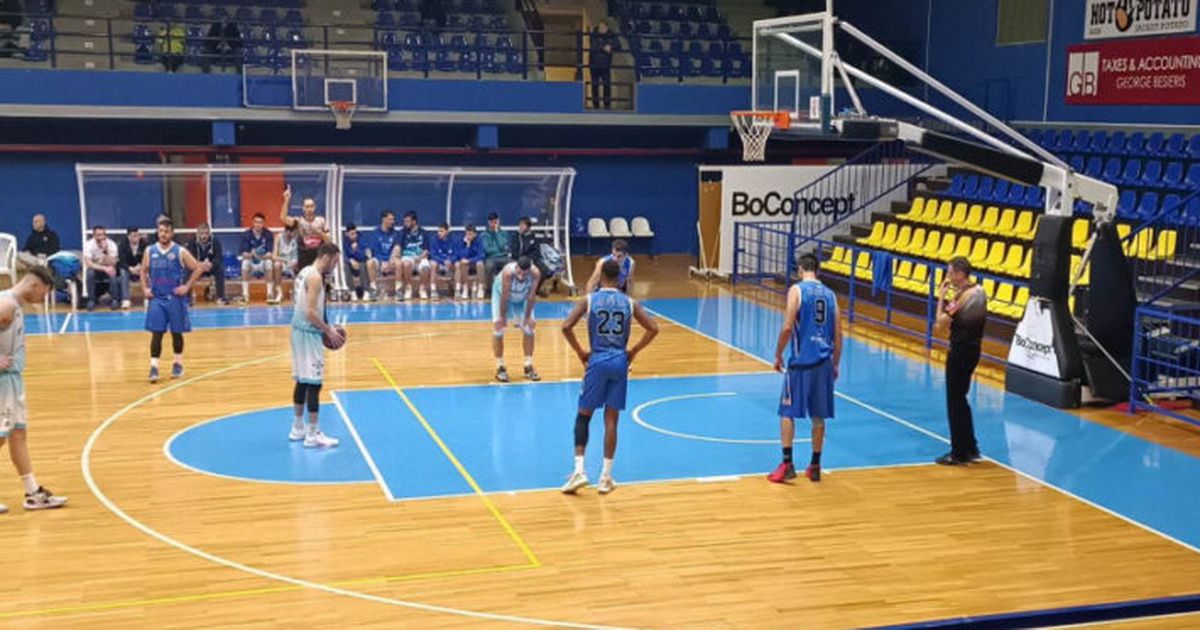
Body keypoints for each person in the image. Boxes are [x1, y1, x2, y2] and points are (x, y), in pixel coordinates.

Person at [560, 258, 659, 495]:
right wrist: (633, 351)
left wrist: (580, 351)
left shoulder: (590, 299)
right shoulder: (629, 302)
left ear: (600, 276)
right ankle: (605, 477)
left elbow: (566, 326)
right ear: (620, 278)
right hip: (619, 362)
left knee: (583, 415)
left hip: (598, 360)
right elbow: (653, 328)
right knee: (611, 419)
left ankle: (579, 471)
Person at [768, 253, 842, 484]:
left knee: (787, 412)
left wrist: (778, 353)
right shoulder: (831, 295)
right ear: (817, 270)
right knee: (818, 416)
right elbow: (839, 334)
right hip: (824, 362)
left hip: (802, 362)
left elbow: (787, 326)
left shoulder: (797, 290)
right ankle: (815, 465)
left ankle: (787, 464)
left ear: (800, 270)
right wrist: (835, 364)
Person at [0, 267, 68, 512]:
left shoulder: (15, 305)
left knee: (18, 434)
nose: (42, 298)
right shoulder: (6, 306)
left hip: (12, 380)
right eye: (44, 293)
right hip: (2, 382)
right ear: (34, 285)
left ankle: (32, 493)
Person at [288, 242, 343, 449]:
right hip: (308, 333)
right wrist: (329, 330)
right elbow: (311, 313)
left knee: (302, 381)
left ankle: (297, 428)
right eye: (335, 262)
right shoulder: (315, 278)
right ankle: (312, 434)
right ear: (326, 258)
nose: (335, 267)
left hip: (297, 331)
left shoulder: (304, 271)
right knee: (314, 383)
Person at [934, 256, 987, 466]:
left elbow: (940, 324)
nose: (948, 277)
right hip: (974, 351)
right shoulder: (980, 291)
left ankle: (958, 452)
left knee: (954, 401)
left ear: (959, 273)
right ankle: (971, 447)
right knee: (962, 399)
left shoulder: (961, 296)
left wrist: (941, 297)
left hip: (959, 352)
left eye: (950, 273)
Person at [142, 219, 205, 384]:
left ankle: (178, 363)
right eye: (160, 231)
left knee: (176, 333)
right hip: (157, 298)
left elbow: (198, 268)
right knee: (156, 333)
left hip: (175, 298)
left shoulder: (180, 251)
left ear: (172, 233)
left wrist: (187, 286)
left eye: (166, 231)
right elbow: (143, 270)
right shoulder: (149, 250)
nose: (163, 234)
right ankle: (154, 367)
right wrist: (145, 288)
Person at [491, 256, 541, 383]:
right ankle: (500, 366)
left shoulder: (535, 274)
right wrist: (502, 318)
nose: (521, 276)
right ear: (516, 267)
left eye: (525, 274)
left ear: (529, 270)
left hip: (522, 298)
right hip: (501, 296)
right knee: (499, 329)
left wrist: (528, 317)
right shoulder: (508, 273)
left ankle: (528, 365)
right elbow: (504, 297)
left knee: (529, 328)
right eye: (519, 273)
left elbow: (531, 296)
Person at [279, 186, 328, 274]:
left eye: (311, 206)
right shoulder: (299, 221)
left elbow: (329, 240)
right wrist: (286, 200)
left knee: (318, 279)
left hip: (318, 256)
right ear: (303, 208)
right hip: (304, 256)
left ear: (315, 207)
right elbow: (283, 218)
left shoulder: (322, 221)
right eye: (307, 207)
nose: (309, 209)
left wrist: (320, 233)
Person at [83, 226, 127, 311]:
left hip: (108, 267)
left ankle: (114, 300)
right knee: (90, 273)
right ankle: (91, 300)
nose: (102, 237)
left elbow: (113, 262)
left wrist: (105, 251)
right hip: (96, 269)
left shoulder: (111, 244)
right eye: (99, 235)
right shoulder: (89, 245)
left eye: (103, 234)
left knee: (112, 271)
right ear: (94, 235)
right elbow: (89, 263)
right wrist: (104, 268)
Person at [511, 217, 555, 296]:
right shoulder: (516, 237)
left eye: (523, 225)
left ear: (528, 227)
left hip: (531, 260)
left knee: (545, 270)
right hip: (520, 260)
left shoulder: (533, 238)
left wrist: (531, 259)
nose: (520, 227)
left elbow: (536, 252)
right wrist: (522, 259)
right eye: (520, 225)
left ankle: (535, 289)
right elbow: (515, 252)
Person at [187, 222, 227, 305]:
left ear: (209, 233)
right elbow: (189, 258)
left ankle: (220, 297)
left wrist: (211, 264)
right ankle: (187, 299)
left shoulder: (215, 241)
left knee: (220, 269)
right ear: (198, 233)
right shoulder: (191, 242)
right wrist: (199, 264)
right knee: (187, 271)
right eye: (202, 233)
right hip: (197, 267)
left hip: (210, 267)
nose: (204, 236)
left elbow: (218, 258)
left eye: (206, 233)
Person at [239, 213, 275, 303]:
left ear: (263, 223)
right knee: (245, 263)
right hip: (251, 262)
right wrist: (252, 255)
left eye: (260, 222)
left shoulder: (269, 234)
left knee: (269, 263)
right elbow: (244, 254)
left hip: (263, 261)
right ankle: (245, 294)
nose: (258, 224)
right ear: (253, 222)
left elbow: (270, 254)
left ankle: (270, 293)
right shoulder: (246, 234)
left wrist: (257, 254)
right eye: (256, 222)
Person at [366, 210, 400, 301]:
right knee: (370, 262)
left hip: (391, 261)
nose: (392, 222)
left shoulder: (396, 234)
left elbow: (397, 250)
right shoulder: (375, 233)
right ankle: (373, 289)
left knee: (399, 263)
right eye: (390, 219)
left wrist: (389, 262)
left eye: (393, 219)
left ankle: (398, 290)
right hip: (379, 261)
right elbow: (374, 251)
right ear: (383, 219)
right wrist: (382, 263)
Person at [398, 211, 431, 301]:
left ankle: (422, 288)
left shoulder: (424, 233)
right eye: (404, 221)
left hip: (421, 257)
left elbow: (426, 250)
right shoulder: (402, 232)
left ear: (414, 221)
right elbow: (399, 248)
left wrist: (420, 258)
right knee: (407, 264)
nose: (405, 223)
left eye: (407, 221)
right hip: (407, 257)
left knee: (426, 267)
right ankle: (408, 287)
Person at [117, 227, 148, 309]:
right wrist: (130, 268)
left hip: (140, 267)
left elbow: (147, 258)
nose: (136, 238)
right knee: (123, 272)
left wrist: (141, 266)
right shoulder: (122, 244)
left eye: (138, 235)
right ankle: (126, 300)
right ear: (128, 236)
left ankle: (147, 297)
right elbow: (122, 261)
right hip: (128, 268)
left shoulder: (144, 244)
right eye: (134, 236)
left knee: (148, 272)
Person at [270, 223, 299, 304]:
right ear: (288, 231)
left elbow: (300, 255)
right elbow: (274, 256)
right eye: (294, 232)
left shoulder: (297, 238)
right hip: (282, 261)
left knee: (300, 266)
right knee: (276, 265)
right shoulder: (278, 237)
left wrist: (295, 262)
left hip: (293, 262)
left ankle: (297, 292)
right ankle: (279, 292)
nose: (295, 234)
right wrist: (285, 260)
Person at [589, 21, 616, 110]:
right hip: (594, 64)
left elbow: (618, 44)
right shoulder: (594, 34)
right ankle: (596, 104)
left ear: (607, 28)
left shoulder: (611, 35)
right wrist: (604, 47)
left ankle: (607, 104)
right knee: (595, 85)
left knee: (607, 84)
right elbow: (593, 46)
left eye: (603, 27)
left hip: (606, 64)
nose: (601, 29)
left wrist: (611, 46)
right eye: (600, 27)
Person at [455, 223, 486, 300]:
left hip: (475, 262)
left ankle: (480, 288)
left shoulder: (479, 240)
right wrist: (467, 246)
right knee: (463, 263)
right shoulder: (462, 241)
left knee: (480, 264)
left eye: (470, 234)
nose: (468, 236)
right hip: (466, 263)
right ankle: (465, 288)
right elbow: (460, 255)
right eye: (467, 234)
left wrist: (470, 260)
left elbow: (481, 255)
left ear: (475, 234)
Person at [482, 212, 512, 288]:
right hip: (491, 258)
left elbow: (503, 246)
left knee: (513, 265)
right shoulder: (484, 235)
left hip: (504, 257)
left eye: (495, 222)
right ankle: (489, 288)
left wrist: (497, 233)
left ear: (498, 222)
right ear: (488, 223)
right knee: (488, 266)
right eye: (491, 222)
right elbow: (487, 250)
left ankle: (510, 288)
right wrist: (500, 250)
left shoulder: (504, 233)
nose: (493, 224)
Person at [428, 222, 458, 300]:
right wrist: (443, 261)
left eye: (441, 231)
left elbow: (457, 254)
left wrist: (451, 260)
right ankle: (433, 290)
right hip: (440, 263)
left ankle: (457, 290)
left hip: (450, 264)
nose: (439, 233)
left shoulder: (454, 239)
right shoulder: (434, 239)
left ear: (447, 232)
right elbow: (433, 255)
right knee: (433, 264)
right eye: (438, 231)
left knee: (458, 264)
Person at [342, 223, 368, 301]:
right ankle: (352, 291)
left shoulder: (362, 239)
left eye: (355, 233)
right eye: (352, 234)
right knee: (346, 265)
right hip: (350, 262)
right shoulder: (343, 241)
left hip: (361, 261)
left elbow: (364, 255)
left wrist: (355, 250)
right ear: (347, 234)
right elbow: (343, 254)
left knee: (362, 265)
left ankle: (366, 291)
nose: (355, 235)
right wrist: (350, 260)